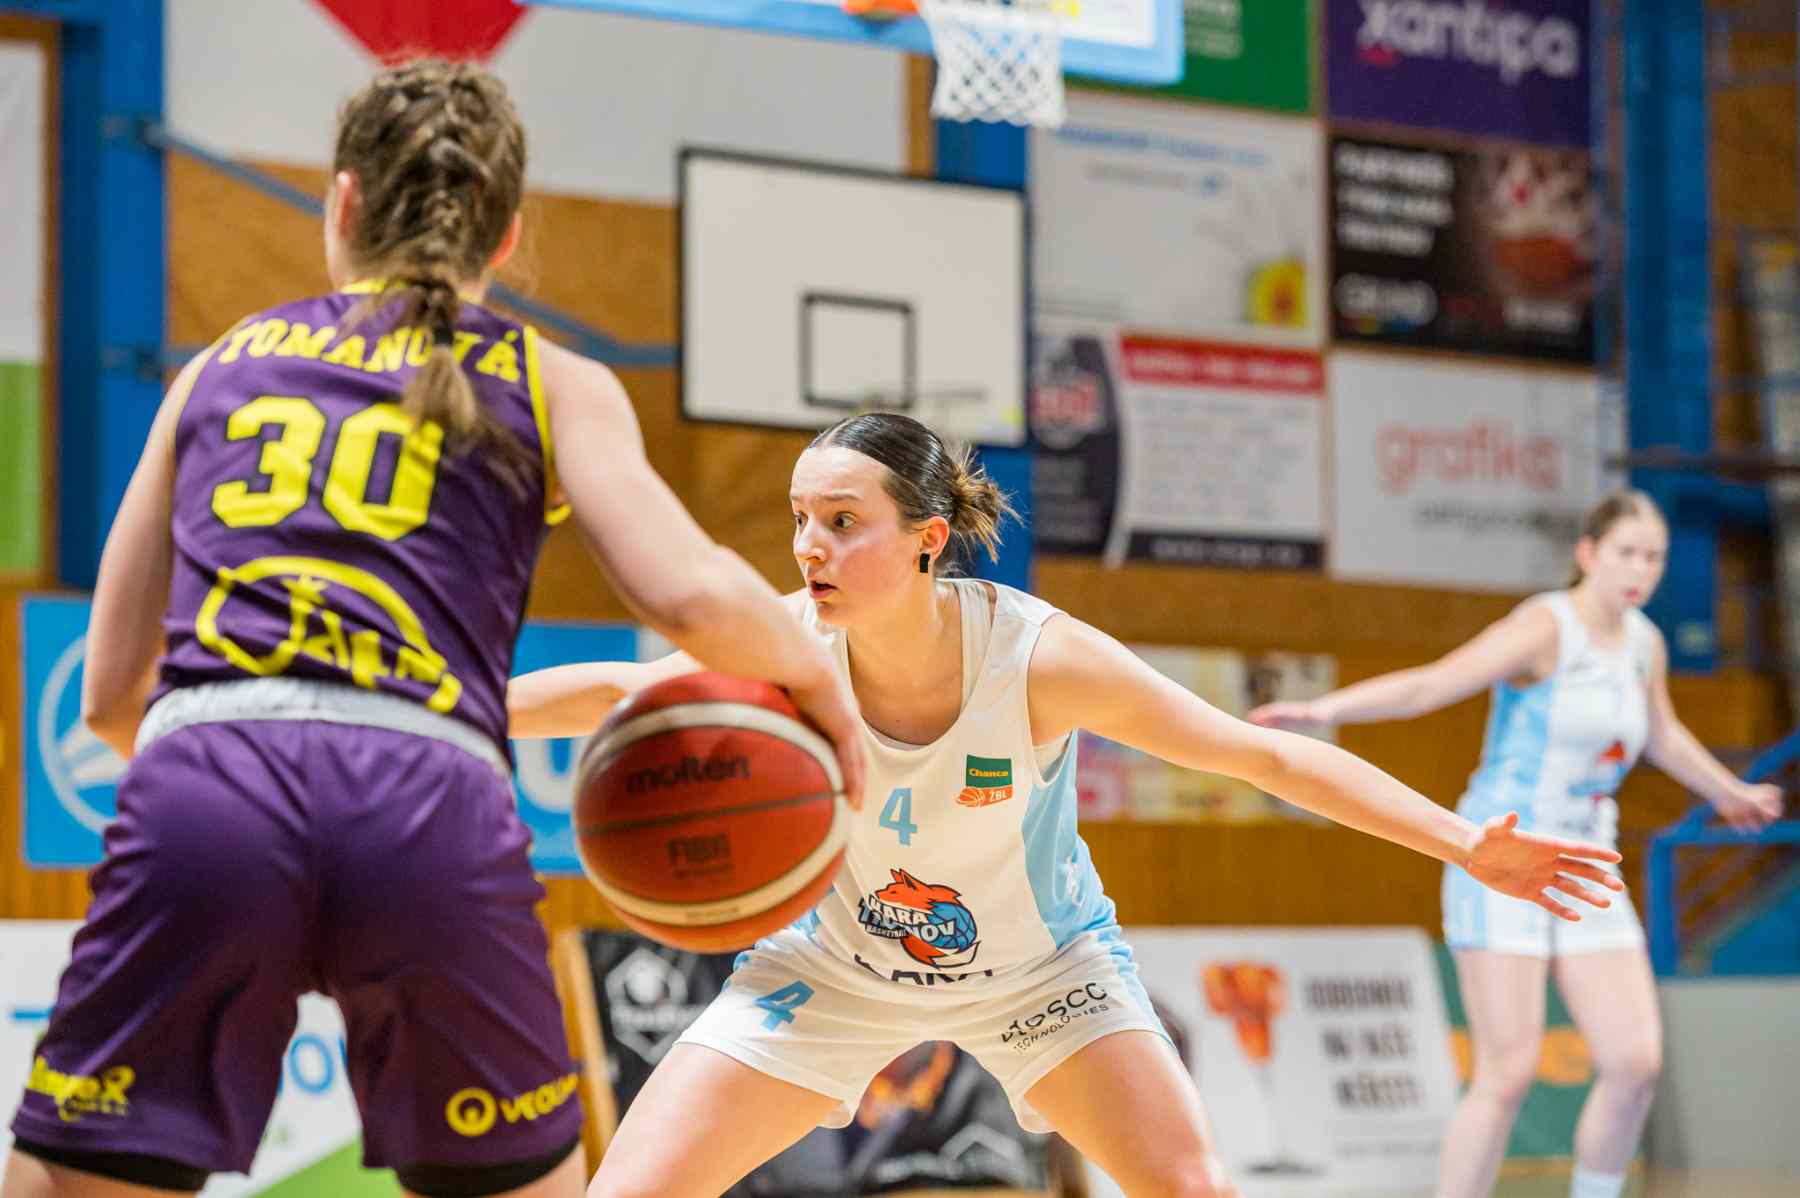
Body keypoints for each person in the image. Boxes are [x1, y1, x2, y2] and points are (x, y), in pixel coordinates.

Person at [3, 59, 863, 1198]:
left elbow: (116, 694)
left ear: (342, 203)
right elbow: (689, 596)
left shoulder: (217, 366)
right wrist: (820, 683)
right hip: (428, 805)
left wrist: (243, 813)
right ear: (504, 238)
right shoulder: (552, 378)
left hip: (208, 780)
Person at [509, 412, 1625, 1198]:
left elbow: (1259, 758)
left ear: (927, 540)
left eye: (843, 521)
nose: (810, 547)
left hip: (1040, 977)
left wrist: (1464, 842)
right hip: (833, 973)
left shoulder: (1037, 659)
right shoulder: (789, 643)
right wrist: (450, 711)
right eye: (802, 518)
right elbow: (617, 694)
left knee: (1192, 1186)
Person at [1250, 488, 1784, 1198]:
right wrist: (1324, 709)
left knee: (1635, 1063)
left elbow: (1663, 735)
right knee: (1508, 1072)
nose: (1641, 569)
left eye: (1654, 557)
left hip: (1585, 865)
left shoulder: (1645, 644)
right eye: (1627, 552)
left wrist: (1728, 790)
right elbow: (1432, 685)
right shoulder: (1544, 626)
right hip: (1504, 860)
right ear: (1588, 553)